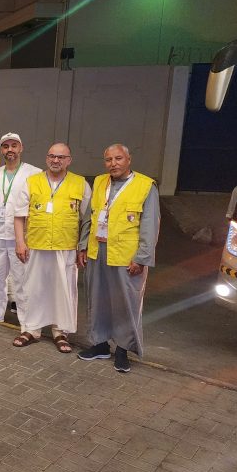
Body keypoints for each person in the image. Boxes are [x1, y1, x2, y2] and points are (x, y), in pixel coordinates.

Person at [78, 144, 160, 372]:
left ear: (128, 159)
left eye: (118, 158)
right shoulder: (99, 182)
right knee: (97, 299)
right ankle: (100, 344)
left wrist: (142, 258)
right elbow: (90, 215)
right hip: (98, 250)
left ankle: (123, 350)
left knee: (126, 303)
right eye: (108, 160)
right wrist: (83, 245)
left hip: (126, 256)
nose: (113, 164)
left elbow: (150, 225)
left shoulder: (145, 186)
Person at [13, 143, 91, 352]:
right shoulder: (32, 182)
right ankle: (31, 329)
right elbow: (19, 216)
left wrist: (82, 247)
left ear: (69, 160)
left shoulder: (80, 184)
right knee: (33, 288)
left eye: (61, 157)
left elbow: (87, 219)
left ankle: (60, 331)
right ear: (46, 158)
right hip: (36, 245)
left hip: (66, 247)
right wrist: (20, 242)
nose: (55, 160)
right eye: (51, 156)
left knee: (63, 290)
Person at [0, 133, 41, 327]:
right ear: (2, 150)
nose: (10, 150)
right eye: (6, 146)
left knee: (22, 279)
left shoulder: (34, 174)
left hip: (20, 237)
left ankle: (26, 320)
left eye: (14, 145)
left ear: (21, 148)